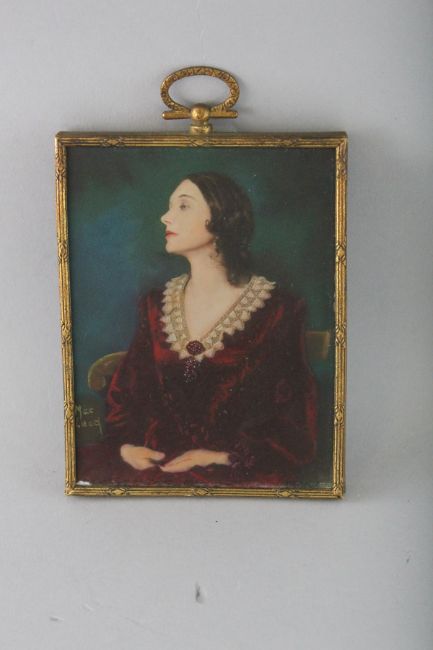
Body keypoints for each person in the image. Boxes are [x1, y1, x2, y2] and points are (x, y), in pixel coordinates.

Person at [77, 172, 317, 487]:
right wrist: (126, 448)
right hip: (156, 462)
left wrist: (219, 458)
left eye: (183, 206)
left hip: (234, 469)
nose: (165, 217)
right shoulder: (156, 304)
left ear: (219, 217)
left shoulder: (278, 309)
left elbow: (293, 416)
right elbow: (128, 392)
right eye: (170, 206)